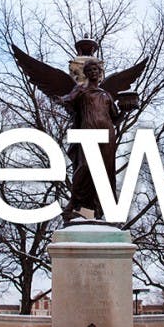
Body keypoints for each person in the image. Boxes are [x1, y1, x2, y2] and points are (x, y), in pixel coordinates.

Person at [58, 59, 124, 222]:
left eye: (96, 69)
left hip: (107, 136)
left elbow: (115, 119)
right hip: (88, 133)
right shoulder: (81, 90)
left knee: (106, 172)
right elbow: (67, 100)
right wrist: (62, 99)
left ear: (100, 73)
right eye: (90, 70)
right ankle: (72, 205)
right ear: (86, 73)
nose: (94, 72)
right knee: (85, 167)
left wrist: (125, 110)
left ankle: (100, 209)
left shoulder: (106, 95)